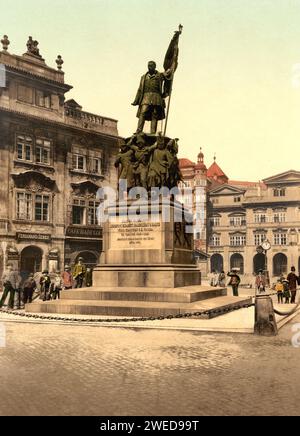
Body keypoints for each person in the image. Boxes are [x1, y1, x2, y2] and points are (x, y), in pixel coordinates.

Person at [132, 61, 172, 134]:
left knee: (155, 114)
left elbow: (168, 75)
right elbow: (140, 89)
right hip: (145, 97)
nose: (149, 67)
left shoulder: (160, 75)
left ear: (154, 67)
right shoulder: (143, 77)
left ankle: (153, 132)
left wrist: (171, 68)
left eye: (151, 66)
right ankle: (138, 130)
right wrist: (136, 100)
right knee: (143, 112)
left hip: (156, 97)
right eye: (148, 66)